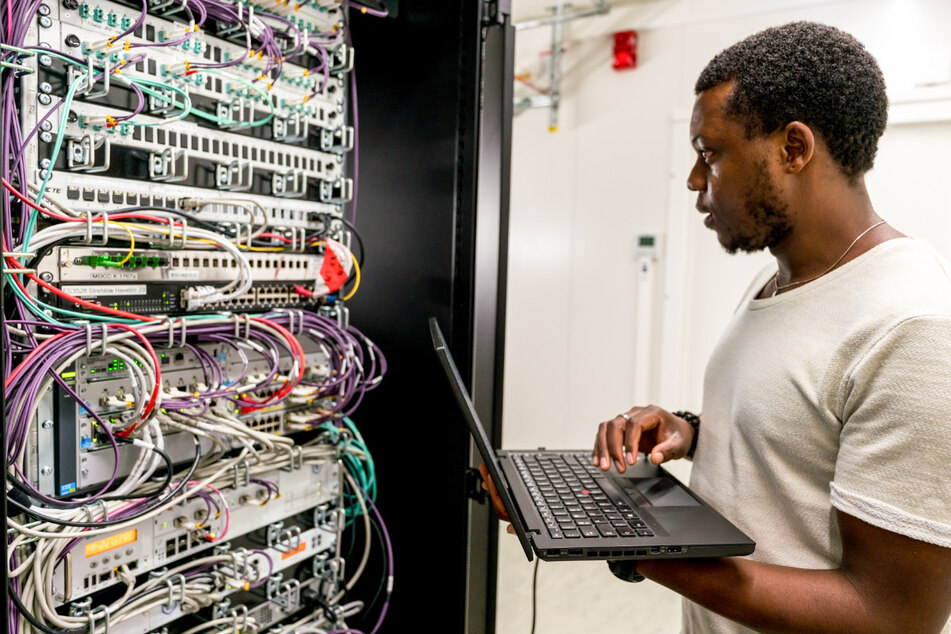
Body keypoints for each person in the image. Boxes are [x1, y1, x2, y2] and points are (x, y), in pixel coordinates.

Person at [486, 21, 951, 633]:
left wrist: (623, 538)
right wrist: (691, 430)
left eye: (710, 154)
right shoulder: (780, 280)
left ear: (793, 148)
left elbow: (892, 616)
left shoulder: (912, 327)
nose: (694, 182)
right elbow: (804, 443)